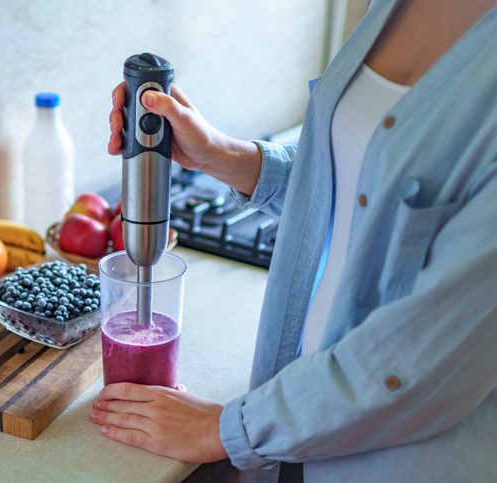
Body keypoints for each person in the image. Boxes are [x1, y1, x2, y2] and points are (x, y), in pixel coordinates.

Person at [90, 0, 497, 481]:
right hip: (292, 433)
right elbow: (358, 183)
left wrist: (230, 430)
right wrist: (219, 154)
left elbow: (419, 364)